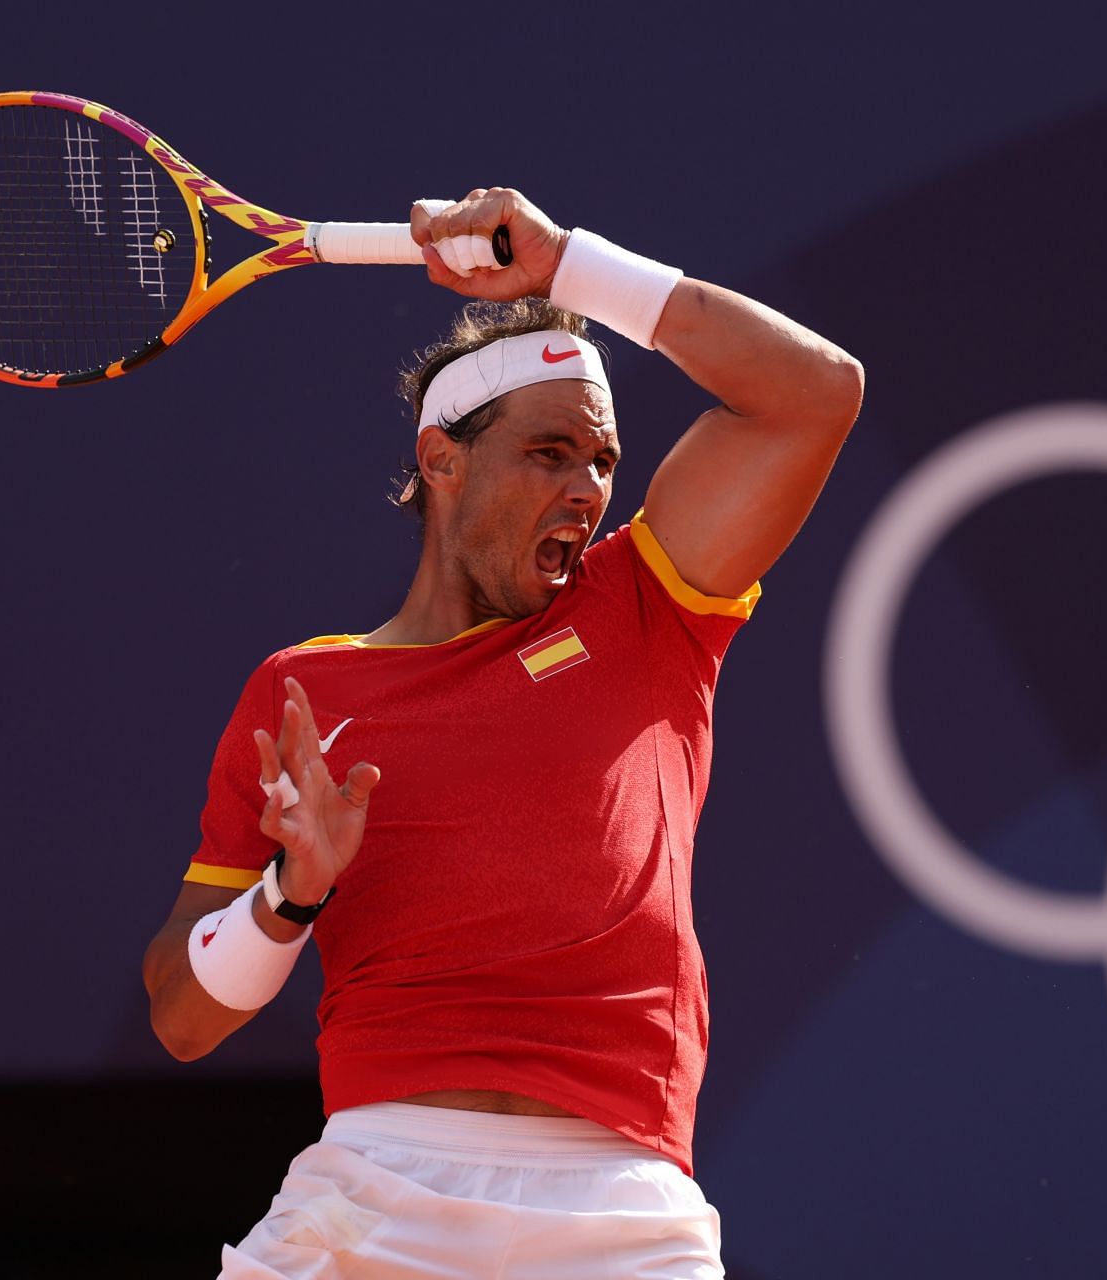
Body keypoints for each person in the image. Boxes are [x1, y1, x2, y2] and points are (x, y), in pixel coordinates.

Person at [141, 187, 863, 1278]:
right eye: (550, 452)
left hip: (622, 1212)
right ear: (442, 461)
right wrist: (291, 896)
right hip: (377, 1192)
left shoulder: (647, 603)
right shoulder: (304, 690)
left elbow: (816, 394)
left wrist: (571, 265)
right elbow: (183, 1018)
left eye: (603, 462)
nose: (587, 489)